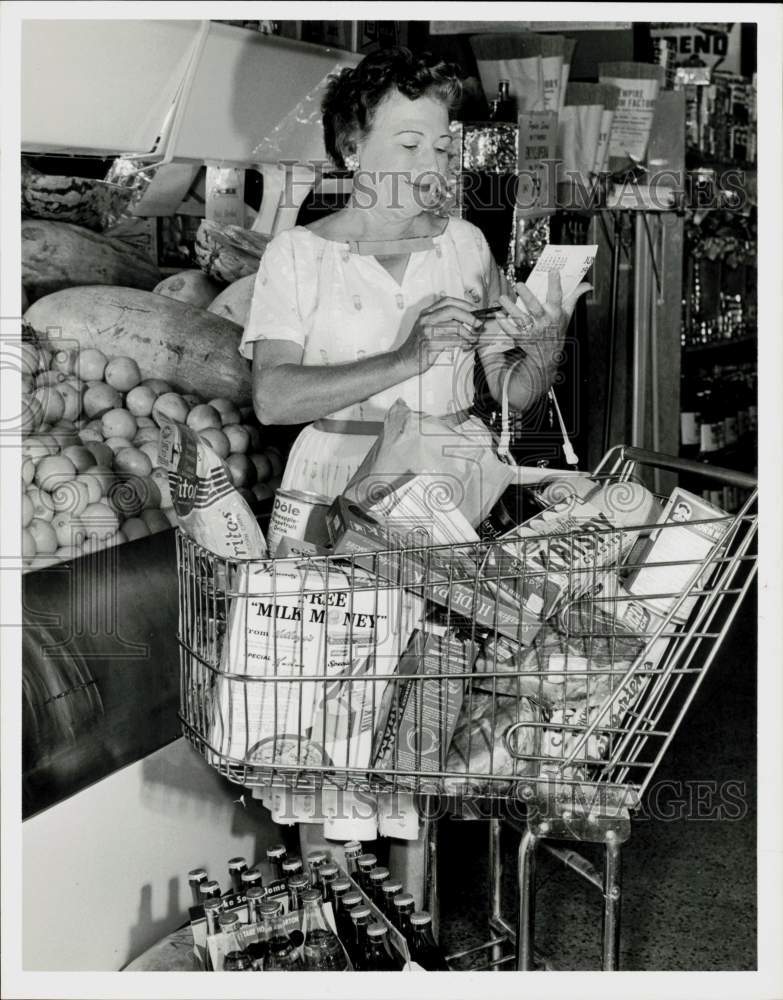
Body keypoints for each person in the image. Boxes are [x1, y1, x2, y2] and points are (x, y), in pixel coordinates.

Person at [239, 47, 589, 891]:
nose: (430, 165)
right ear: (352, 149)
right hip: (336, 492)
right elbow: (275, 398)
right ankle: (330, 919)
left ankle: (413, 939)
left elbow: (511, 392)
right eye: (408, 144)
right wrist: (402, 357)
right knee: (324, 712)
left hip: (442, 492)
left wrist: (539, 336)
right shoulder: (299, 257)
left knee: (419, 708)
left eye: (440, 147)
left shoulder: (466, 245)